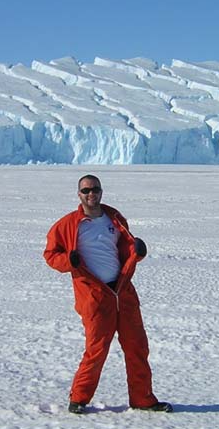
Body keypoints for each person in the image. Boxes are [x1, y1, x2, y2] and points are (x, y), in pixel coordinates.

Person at [44, 174, 172, 414]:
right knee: (96, 349)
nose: (91, 194)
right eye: (86, 191)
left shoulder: (114, 218)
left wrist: (138, 252)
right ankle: (78, 399)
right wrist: (68, 261)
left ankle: (143, 399)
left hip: (122, 292)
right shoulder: (68, 224)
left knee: (137, 347)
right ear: (79, 194)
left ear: (101, 192)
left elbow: (126, 249)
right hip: (94, 296)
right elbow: (51, 254)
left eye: (95, 190)